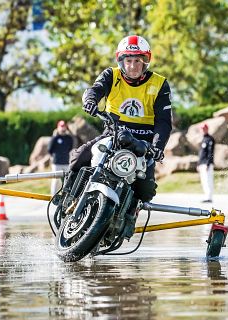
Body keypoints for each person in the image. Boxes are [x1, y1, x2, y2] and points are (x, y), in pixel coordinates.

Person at [69, 35, 172, 239]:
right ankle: (69, 198)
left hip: (142, 142)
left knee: (146, 186)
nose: (133, 66)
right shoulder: (111, 75)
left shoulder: (160, 84)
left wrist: (157, 147)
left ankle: (131, 213)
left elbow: (163, 121)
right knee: (79, 157)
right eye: (128, 60)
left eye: (137, 60)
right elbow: (96, 89)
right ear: (121, 61)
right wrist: (91, 99)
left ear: (145, 61)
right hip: (113, 134)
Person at [48, 120, 74, 195]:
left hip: (66, 162)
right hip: (57, 163)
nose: (63, 128)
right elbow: (50, 149)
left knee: (67, 180)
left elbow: (70, 148)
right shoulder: (55, 138)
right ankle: (53, 196)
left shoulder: (69, 138)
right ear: (58, 127)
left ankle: (65, 195)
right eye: (61, 126)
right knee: (56, 180)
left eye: (64, 126)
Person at [197, 123, 215, 203]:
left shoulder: (210, 139)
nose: (202, 130)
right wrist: (198, 164)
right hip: (202, 163)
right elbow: (201, 153)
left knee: (208, 180)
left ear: (207, 129)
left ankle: (209, 197)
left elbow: (210, 153)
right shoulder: (203, 139)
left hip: (207, 164)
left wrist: (208, 163)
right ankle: (206, 196)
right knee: (204, 180)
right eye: (201, 129)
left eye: (204, 129)